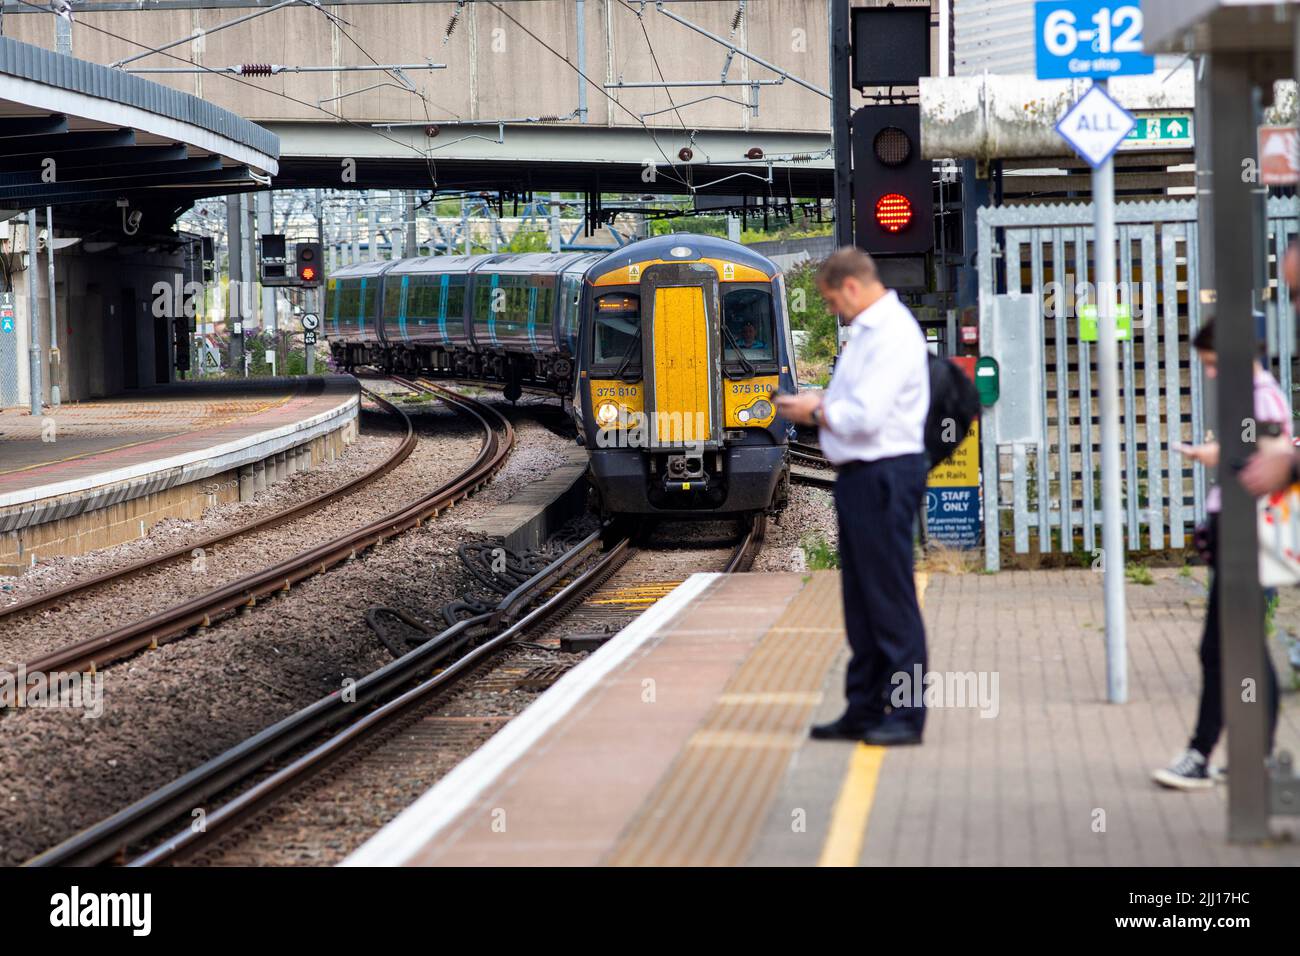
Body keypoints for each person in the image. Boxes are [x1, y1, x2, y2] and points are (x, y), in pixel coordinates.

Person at [776, 247, 930, 747]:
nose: (829, 311)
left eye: (828, 301)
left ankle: (905, 715)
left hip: (885, 474)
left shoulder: (890, 334)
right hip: (862, 477)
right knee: (862, 600)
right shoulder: (866, 332)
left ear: (849, 288)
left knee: (890, 599)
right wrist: (825, 405)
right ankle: (863, 707)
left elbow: (865, 416)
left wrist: (813, 413)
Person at [1153, 318, 1290, 790]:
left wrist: (1219, 458)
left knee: (1222, 650)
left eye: (1211, 364)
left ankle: (1201, 753)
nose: (1209, 374)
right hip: (1245, 533)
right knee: (1240, 649)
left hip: (1248, 535)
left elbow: (1269, 462)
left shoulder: (1261, 396)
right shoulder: (1254, 395)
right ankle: (1253, 757)